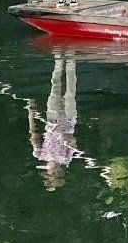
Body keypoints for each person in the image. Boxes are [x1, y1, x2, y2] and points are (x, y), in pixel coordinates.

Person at [27, 52, 85, 190]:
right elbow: (73, 141)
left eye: (54, 174)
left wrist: (31, 113)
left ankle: (58, 60)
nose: (57, 172)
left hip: (52, 120)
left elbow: (33, 134)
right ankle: (71, 60)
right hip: (69, 120)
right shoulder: (67, 159)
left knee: (55, 87)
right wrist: (68, 140)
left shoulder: (40, 155)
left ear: (48, 173)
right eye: (59, 174)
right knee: (71, 91)